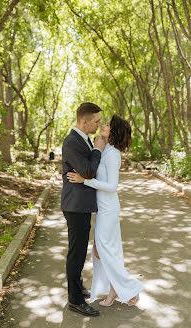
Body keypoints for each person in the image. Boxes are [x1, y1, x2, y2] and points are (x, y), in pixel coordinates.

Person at [67, 115, 143, 307]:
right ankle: (115, 290)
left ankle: (126, 287)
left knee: (104, 252)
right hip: (104, 209)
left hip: (109, 209)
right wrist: (96, 147)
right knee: (102, 252)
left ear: (114, 131)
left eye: (108, 125)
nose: (103, 125)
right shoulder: (107, 150)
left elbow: (112, 186)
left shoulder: (113, 154)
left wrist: (85, 181)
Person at [61, 102, 106, 316]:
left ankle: (77, 288)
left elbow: (88, 171)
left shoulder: (83, 139)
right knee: (76, 253)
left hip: (82, 204)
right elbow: (88, 170)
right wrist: (97, 149)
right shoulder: (71, 142)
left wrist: (93, 150)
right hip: (75, 205)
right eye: (96, 121)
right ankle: (75, 301)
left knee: (79, 252)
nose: (98, 125)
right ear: (84, 121)